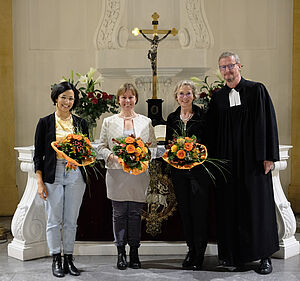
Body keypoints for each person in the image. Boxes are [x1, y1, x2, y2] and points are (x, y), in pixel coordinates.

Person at [208, 51, 279, 274]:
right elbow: (211, 131)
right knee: (230, 208)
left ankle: (264, 256)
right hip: (228, 164)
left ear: (240, 66)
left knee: (257, 207)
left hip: (253, 162)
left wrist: (269, 156)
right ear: (220, 71)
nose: (227, 71)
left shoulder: (256, 90)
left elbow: (269, 123)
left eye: (230, 66)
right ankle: (233, 256)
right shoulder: (218, 98)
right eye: (223, 68)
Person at [98, 83, 157, 270]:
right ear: (118, 100)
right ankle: (120, 252)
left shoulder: (146, 121)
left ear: (136, 99)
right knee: (119, 214)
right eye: (123, 97)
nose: (127, 101)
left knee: (134, 214)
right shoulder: (109, 121)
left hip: (138, 175)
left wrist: (143, 156)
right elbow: (100, 147)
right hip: (117, 174)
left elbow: (154, 147)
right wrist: (113, 156)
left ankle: (134, 252)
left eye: (131, 97)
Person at [34, 81, 88, 278]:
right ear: (56, 98)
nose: (67, 101)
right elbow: (38, 155)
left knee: (71, 220)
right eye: (63, 97)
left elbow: (85, 151)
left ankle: (69, 259)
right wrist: (40, 182)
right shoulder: (45, 122)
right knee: (54, 219)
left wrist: (79, 159)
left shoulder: (81, 123)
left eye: (71, 98)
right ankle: (56, 258)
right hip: (52, 173)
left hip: (75, 174)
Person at [165, 80, 211, 270]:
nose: (184, 97)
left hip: (199, 173)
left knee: (199, 213)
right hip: (179, 174)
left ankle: (200, 253)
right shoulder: (172, 117)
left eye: (188, 93)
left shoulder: (203, 116)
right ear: (176, 96)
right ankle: (191, 249)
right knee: (186, 213)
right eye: (181, 94)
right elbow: (169, 145)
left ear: (194, 95)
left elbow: (209, 144)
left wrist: (195, 156)